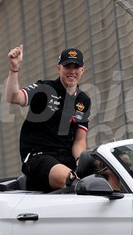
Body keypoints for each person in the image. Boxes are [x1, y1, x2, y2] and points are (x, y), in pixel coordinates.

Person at [5, 45, 91, 192]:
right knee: (73, 181)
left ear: (82, 70)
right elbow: (13, 97)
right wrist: (14, 68)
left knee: (103, 174)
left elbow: (79, 140)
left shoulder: (83, 100)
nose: (72, 71)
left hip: (65, 157)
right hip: (38, 156)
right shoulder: (44, 88)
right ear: (59, 69)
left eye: (76, 67)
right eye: (67, 66)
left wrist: (81, 161)